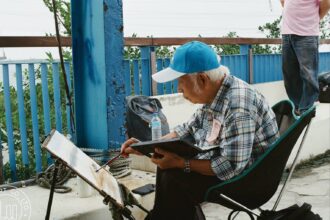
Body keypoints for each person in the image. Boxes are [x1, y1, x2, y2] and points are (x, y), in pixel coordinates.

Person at [121, 41, 279, 220]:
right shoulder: (217, 94)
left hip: (250, 181)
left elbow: (230, 166)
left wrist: (181, 163)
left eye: (181, 81)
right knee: (169, 169)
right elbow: (186, 130)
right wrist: (145, 147)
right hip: (235, 166)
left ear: (202, 79)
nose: (179, 88)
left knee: (175, 176)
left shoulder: (237, 106)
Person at [280, 0, 330, 115]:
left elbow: (326, 4)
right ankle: (297, 107)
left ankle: (306, 109)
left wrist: (314, 20)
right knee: (290, 75)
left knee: (308, 75)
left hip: (307, 34)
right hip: (287, 34)